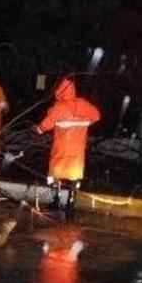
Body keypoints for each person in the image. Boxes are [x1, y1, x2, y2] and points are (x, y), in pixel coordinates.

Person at [34, 76, 100, 211]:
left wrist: (37, 129)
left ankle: (56, 201)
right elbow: (97, 115)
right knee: (75, 175)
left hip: (61, 149)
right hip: (77, 150)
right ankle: (71, 203)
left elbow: (44, 126)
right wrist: (86, 122)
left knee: (55, 174)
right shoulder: (83, 104)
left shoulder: (59, 108)